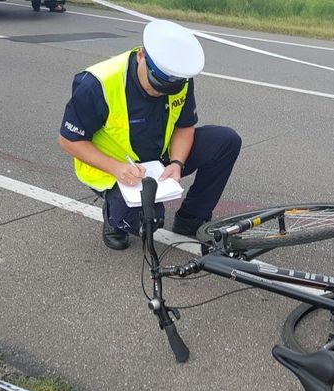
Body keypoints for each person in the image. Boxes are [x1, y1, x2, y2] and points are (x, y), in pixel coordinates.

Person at [58, 19, 241, 250]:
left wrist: (177, 162)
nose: (158, 93)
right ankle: (115, 218)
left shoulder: (178, 77)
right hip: (117, 168)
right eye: (155, 85)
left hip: (159, 158)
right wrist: (116, 168)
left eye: (166, 89)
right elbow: (69, 140)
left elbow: (185, 126)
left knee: (226, 142)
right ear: (142, 55)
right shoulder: (97, 83)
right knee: (148, 222)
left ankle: (191, 219)